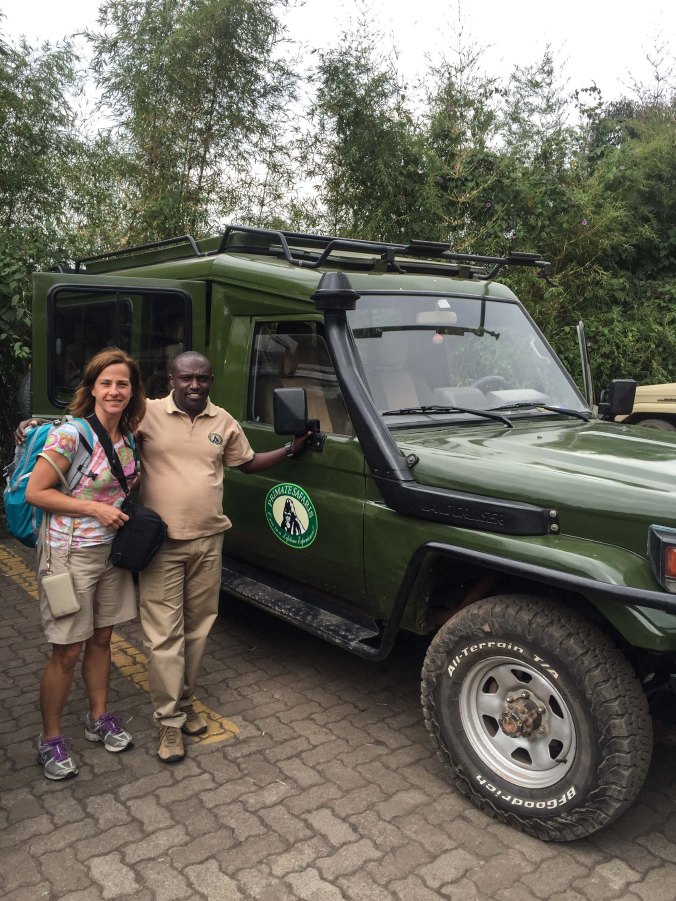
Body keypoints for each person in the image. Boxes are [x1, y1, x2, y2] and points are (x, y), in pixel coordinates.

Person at [136, 351, 308, 763]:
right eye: (186, 378)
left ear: (211, 380)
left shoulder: (223, 421)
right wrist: (38, 427)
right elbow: (99, 426)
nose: (194, 386)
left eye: (202, 379)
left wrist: (290, 448)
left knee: (197, 631)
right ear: (171, 378)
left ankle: (186, 702)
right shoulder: (145, 414)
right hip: (161, 545)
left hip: (208, 542)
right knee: (164, 636)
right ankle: (169, 722)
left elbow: (247, 464)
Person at [24, 348, 146, 780]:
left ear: (133, 392)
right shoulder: (71, 435)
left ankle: (99, 717)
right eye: (107, 383)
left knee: (102, 639)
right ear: (92, 388)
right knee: (67, 649)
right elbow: (36, 493)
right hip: (69, 555)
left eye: (123, 384)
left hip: (112, 553)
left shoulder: (128, 435)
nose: (115, 391)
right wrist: (93, 510)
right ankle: (50, 739)